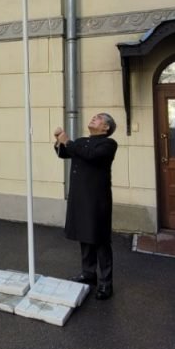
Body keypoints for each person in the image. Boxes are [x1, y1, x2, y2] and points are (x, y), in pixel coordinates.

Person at [53, 113, 119, 301]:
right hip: (80, 196)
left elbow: (89, 155)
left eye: (98, 118)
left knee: (99, 239)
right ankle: (88, 274)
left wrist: (68, 141)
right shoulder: (82, 141)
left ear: (106, 128)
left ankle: (106, 283)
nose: (93, 119)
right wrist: (59, 141)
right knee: (85, 235)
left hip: (97, 198)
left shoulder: (108, 144)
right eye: (94, 117)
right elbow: (64, 153)